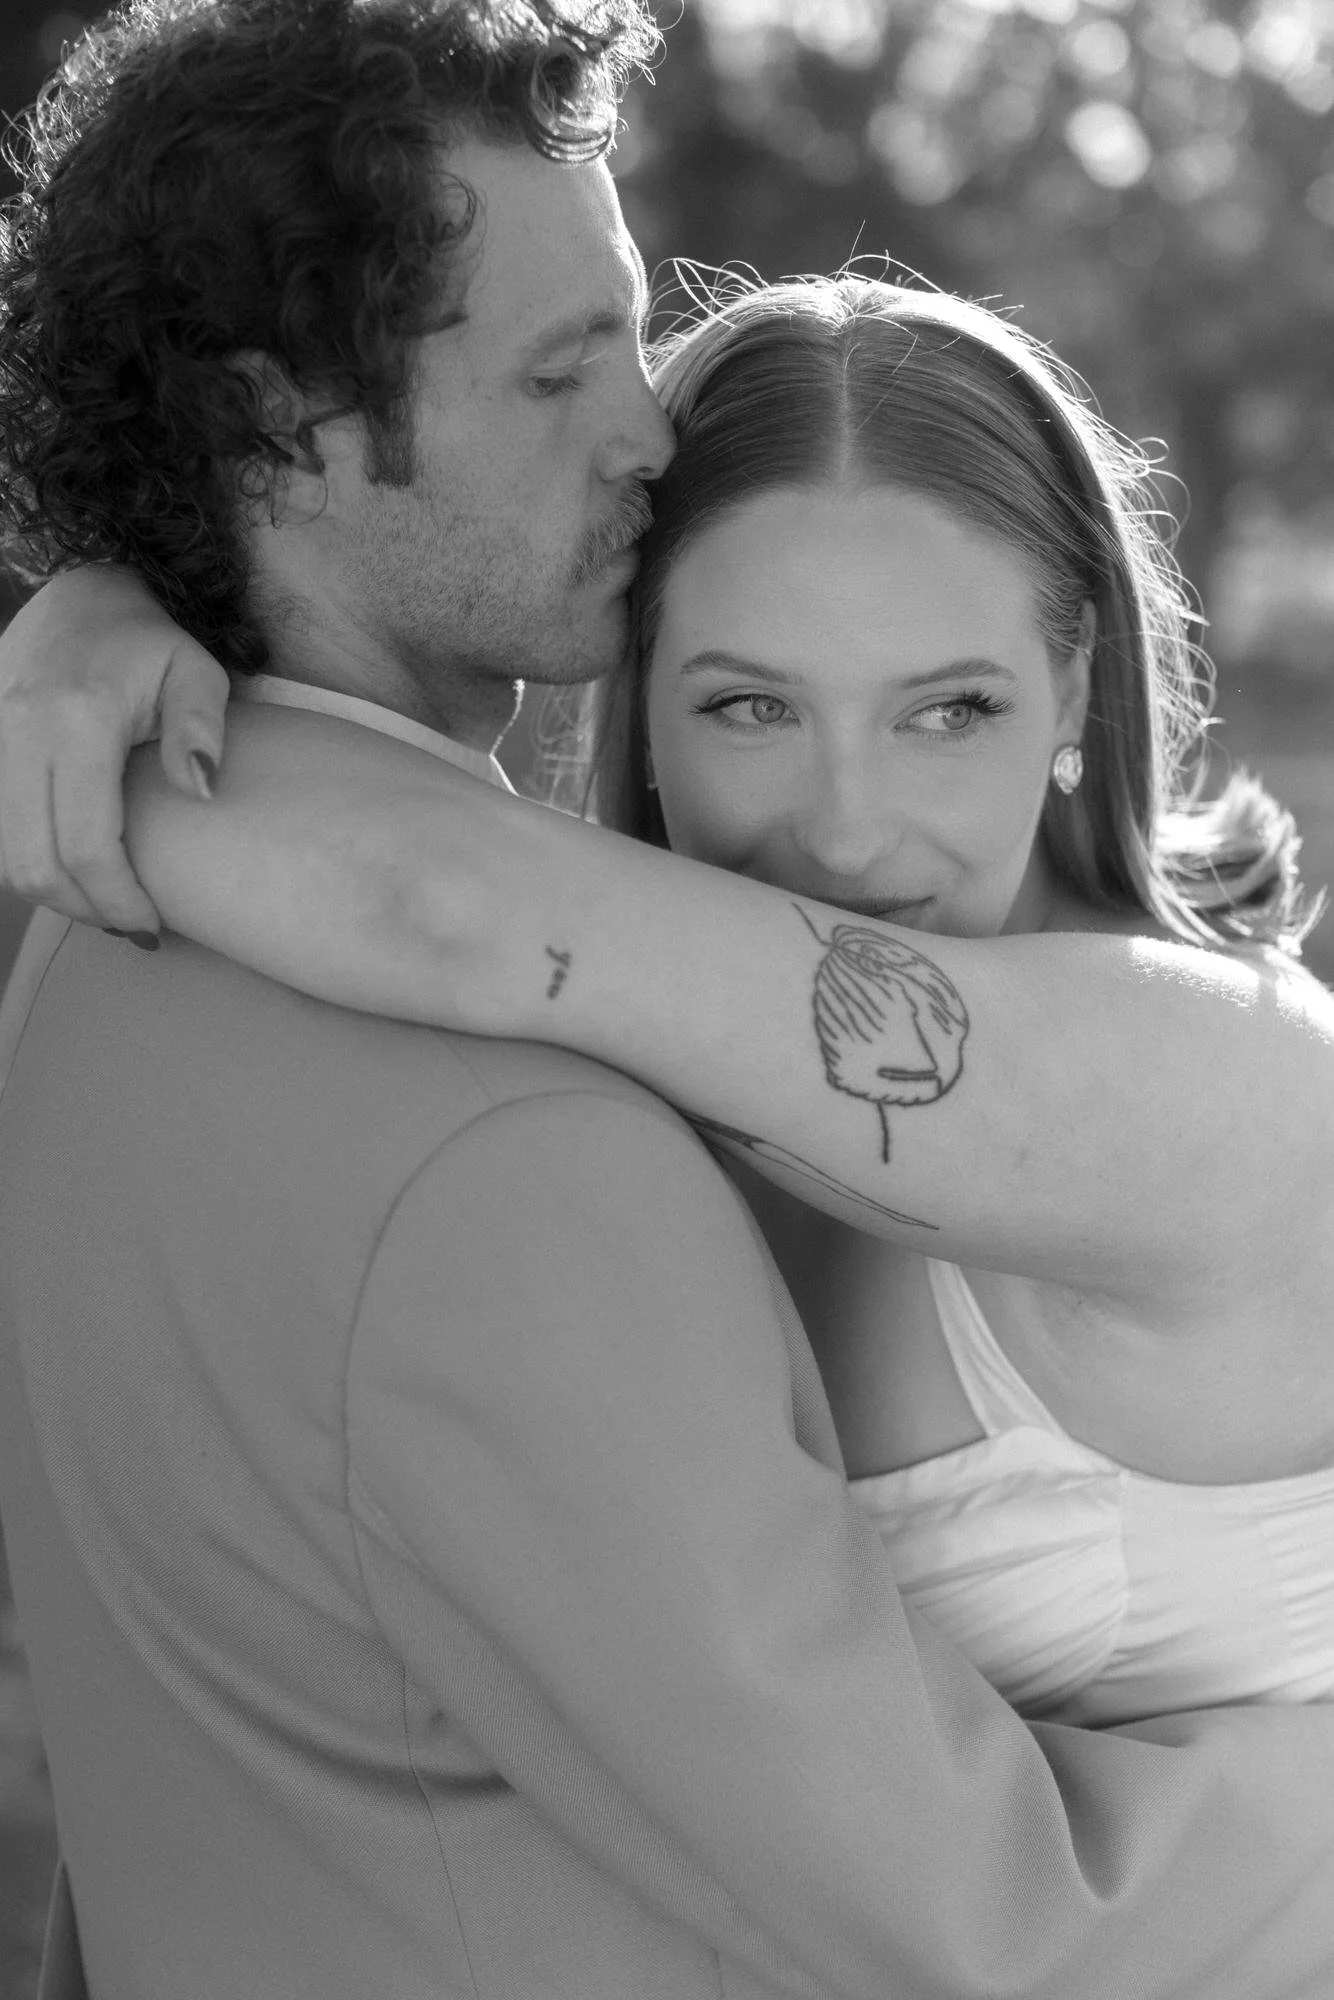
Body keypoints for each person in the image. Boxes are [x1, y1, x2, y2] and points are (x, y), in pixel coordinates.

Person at [1, 9, 1333, 2000]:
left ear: (1077, 691)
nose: (641, 431)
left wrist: (102, 611)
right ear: (280, 424)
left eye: (951, 705)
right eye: (558, 370)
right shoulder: (524, 1149)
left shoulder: (95, 944)